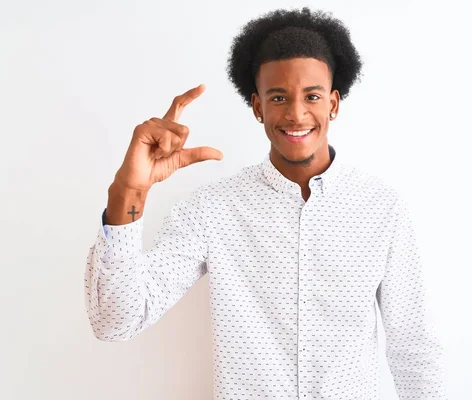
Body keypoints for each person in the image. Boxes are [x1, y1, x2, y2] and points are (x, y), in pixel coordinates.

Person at [84, 6, 446, 400]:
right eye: (278, 97)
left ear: (334, 104)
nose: (295, 113)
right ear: (258, 107)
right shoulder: (211, 211)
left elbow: (414, 348)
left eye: (312, 95)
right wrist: (128, 193)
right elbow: (114, 322)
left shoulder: (382, 208)